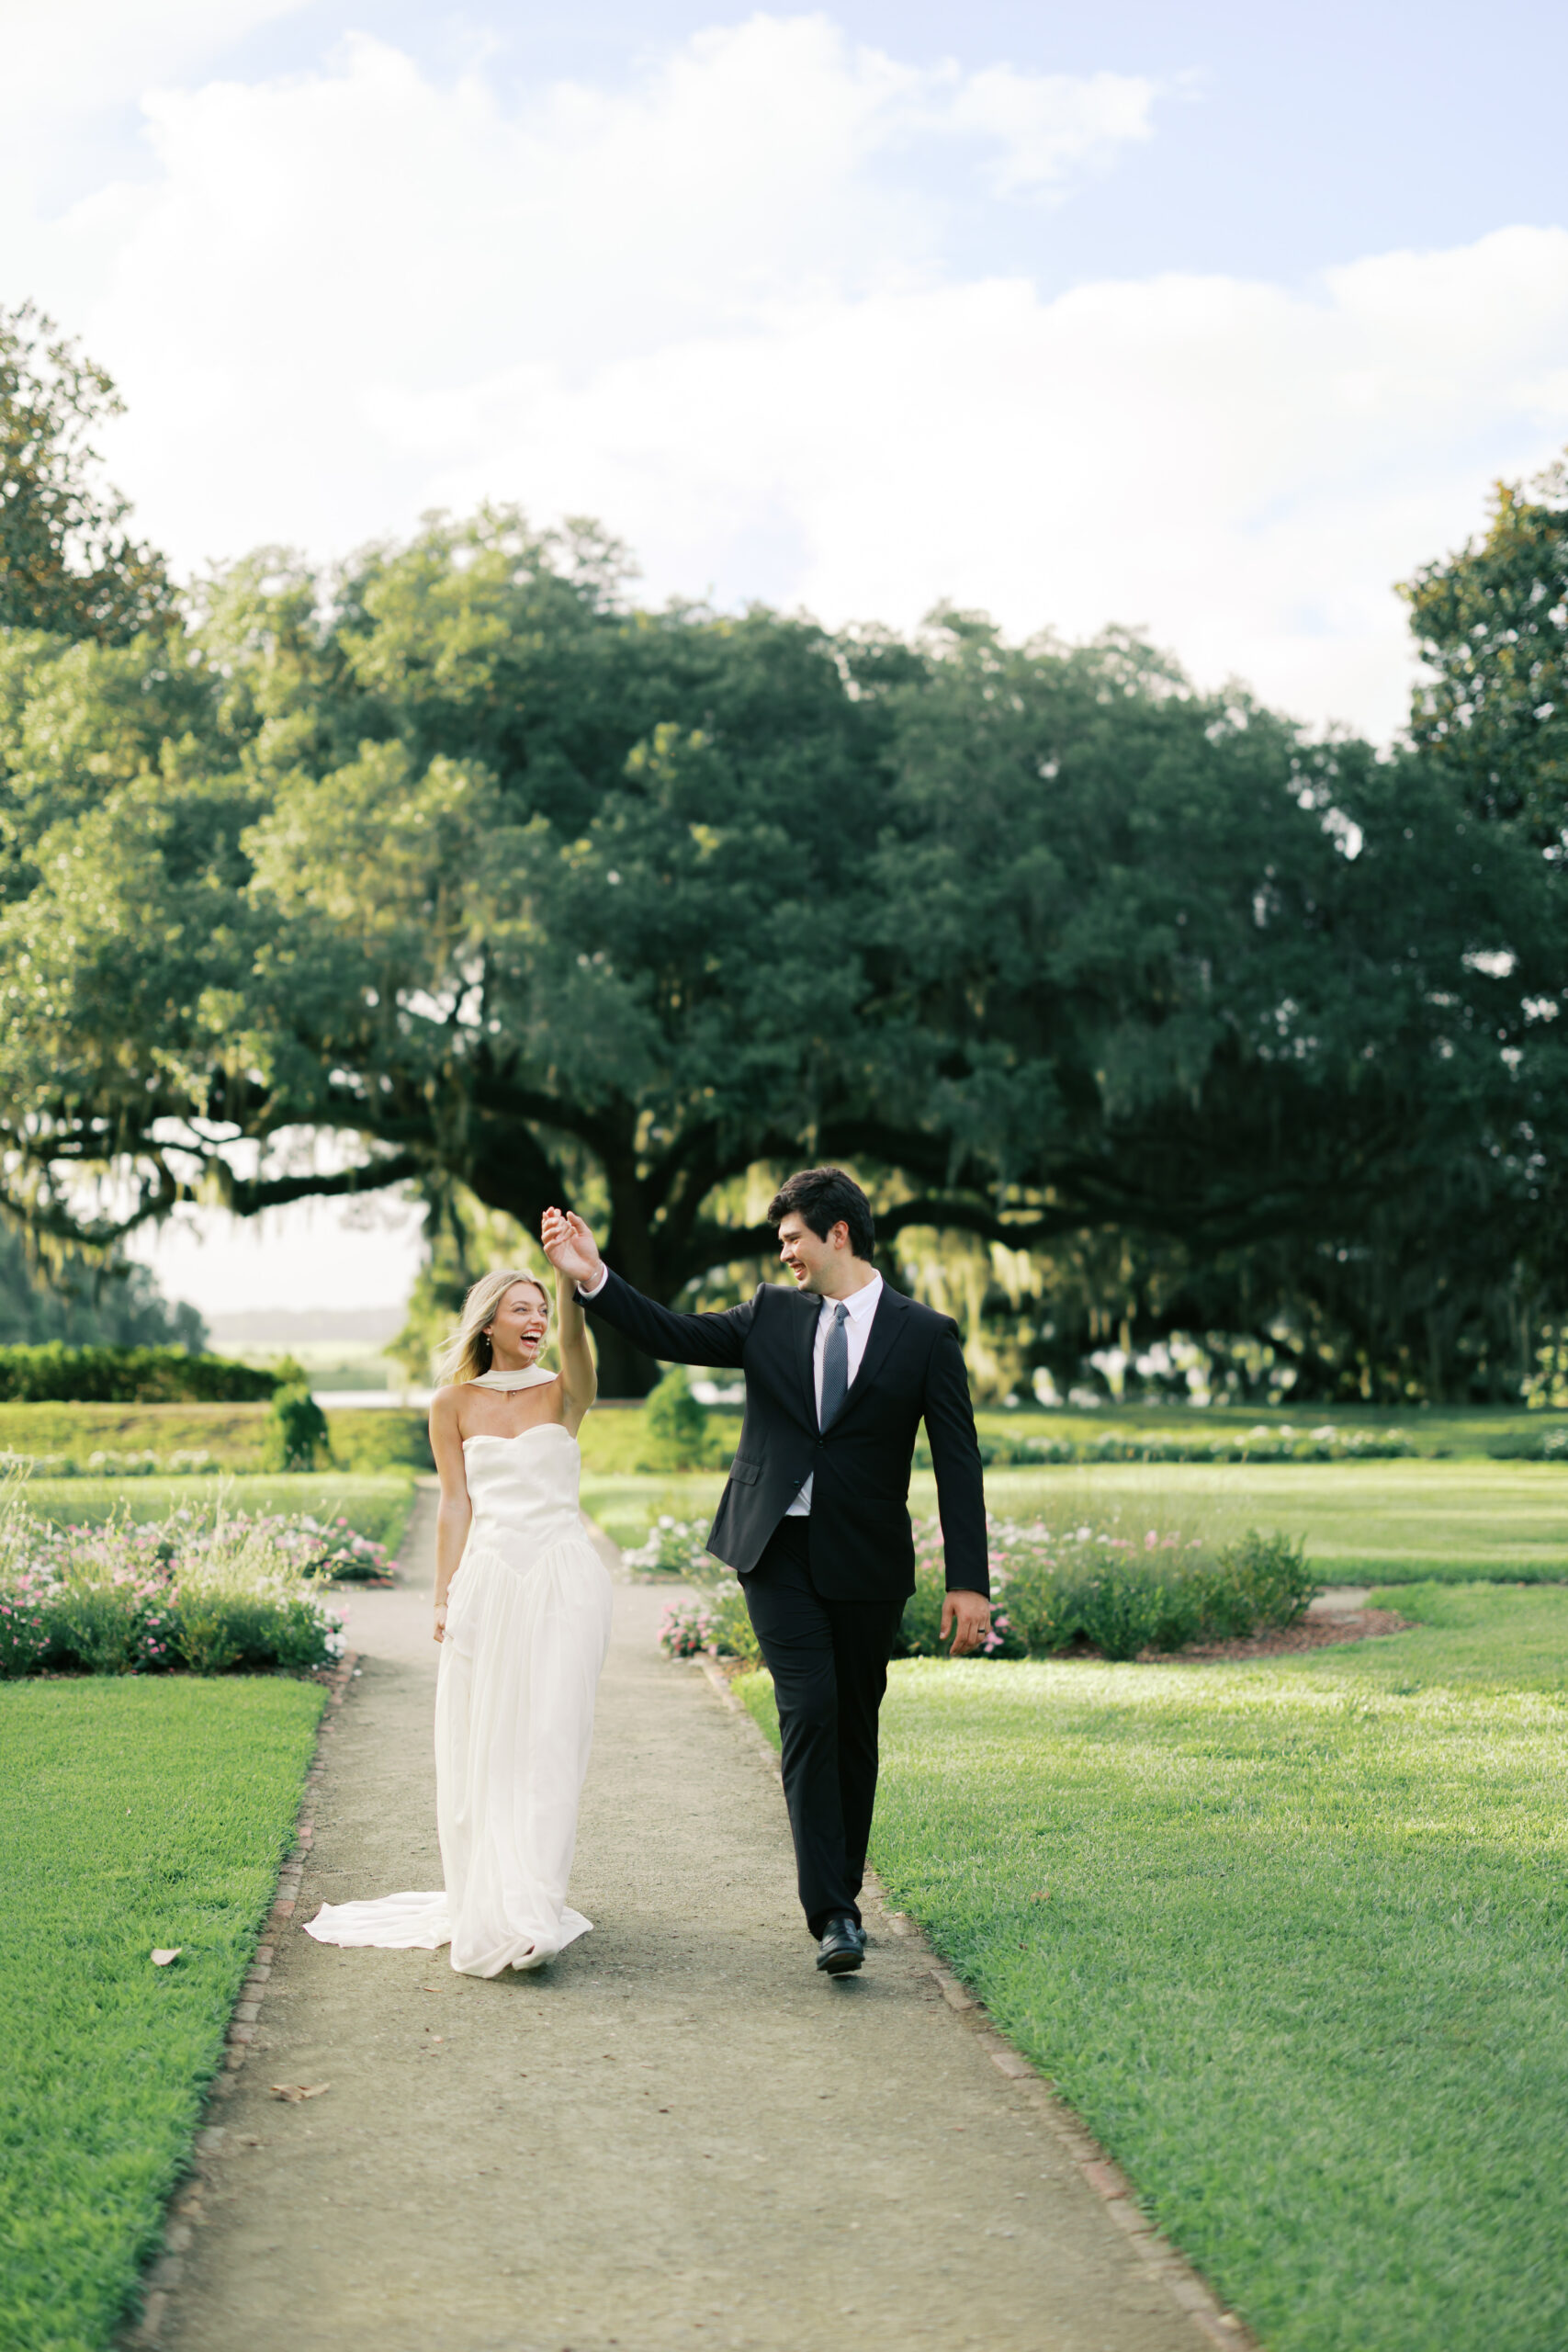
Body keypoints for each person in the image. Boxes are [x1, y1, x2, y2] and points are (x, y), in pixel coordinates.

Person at [540, 1168, 989, 1978]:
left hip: (868, 1561)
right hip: (774, 1549)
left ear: (837, 1234)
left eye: (792, 1238)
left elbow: (958, 1460)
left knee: (852, 1726)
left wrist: (969, 1582)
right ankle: (833, 1914)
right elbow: (673, 1334)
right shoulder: (770, 1314)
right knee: (809, 1706)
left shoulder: (925, 1334)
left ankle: (840, 1892)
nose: (783, 1253)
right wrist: (593, 1275)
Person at [302, 1265, 613, 1977]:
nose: (536, 1321)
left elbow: (575, 1342)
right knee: (487, 1745)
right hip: (490, 1583)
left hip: (564, 1580)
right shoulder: (451, 1404)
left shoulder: (566, 1391)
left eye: (543, 1309)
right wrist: (444, 1596)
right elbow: (454, 1503)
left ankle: (535, 1909)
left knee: (551, 1740)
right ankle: (497, 1897)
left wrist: (568, 1281)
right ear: (488, 1323)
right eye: (521, 1309)